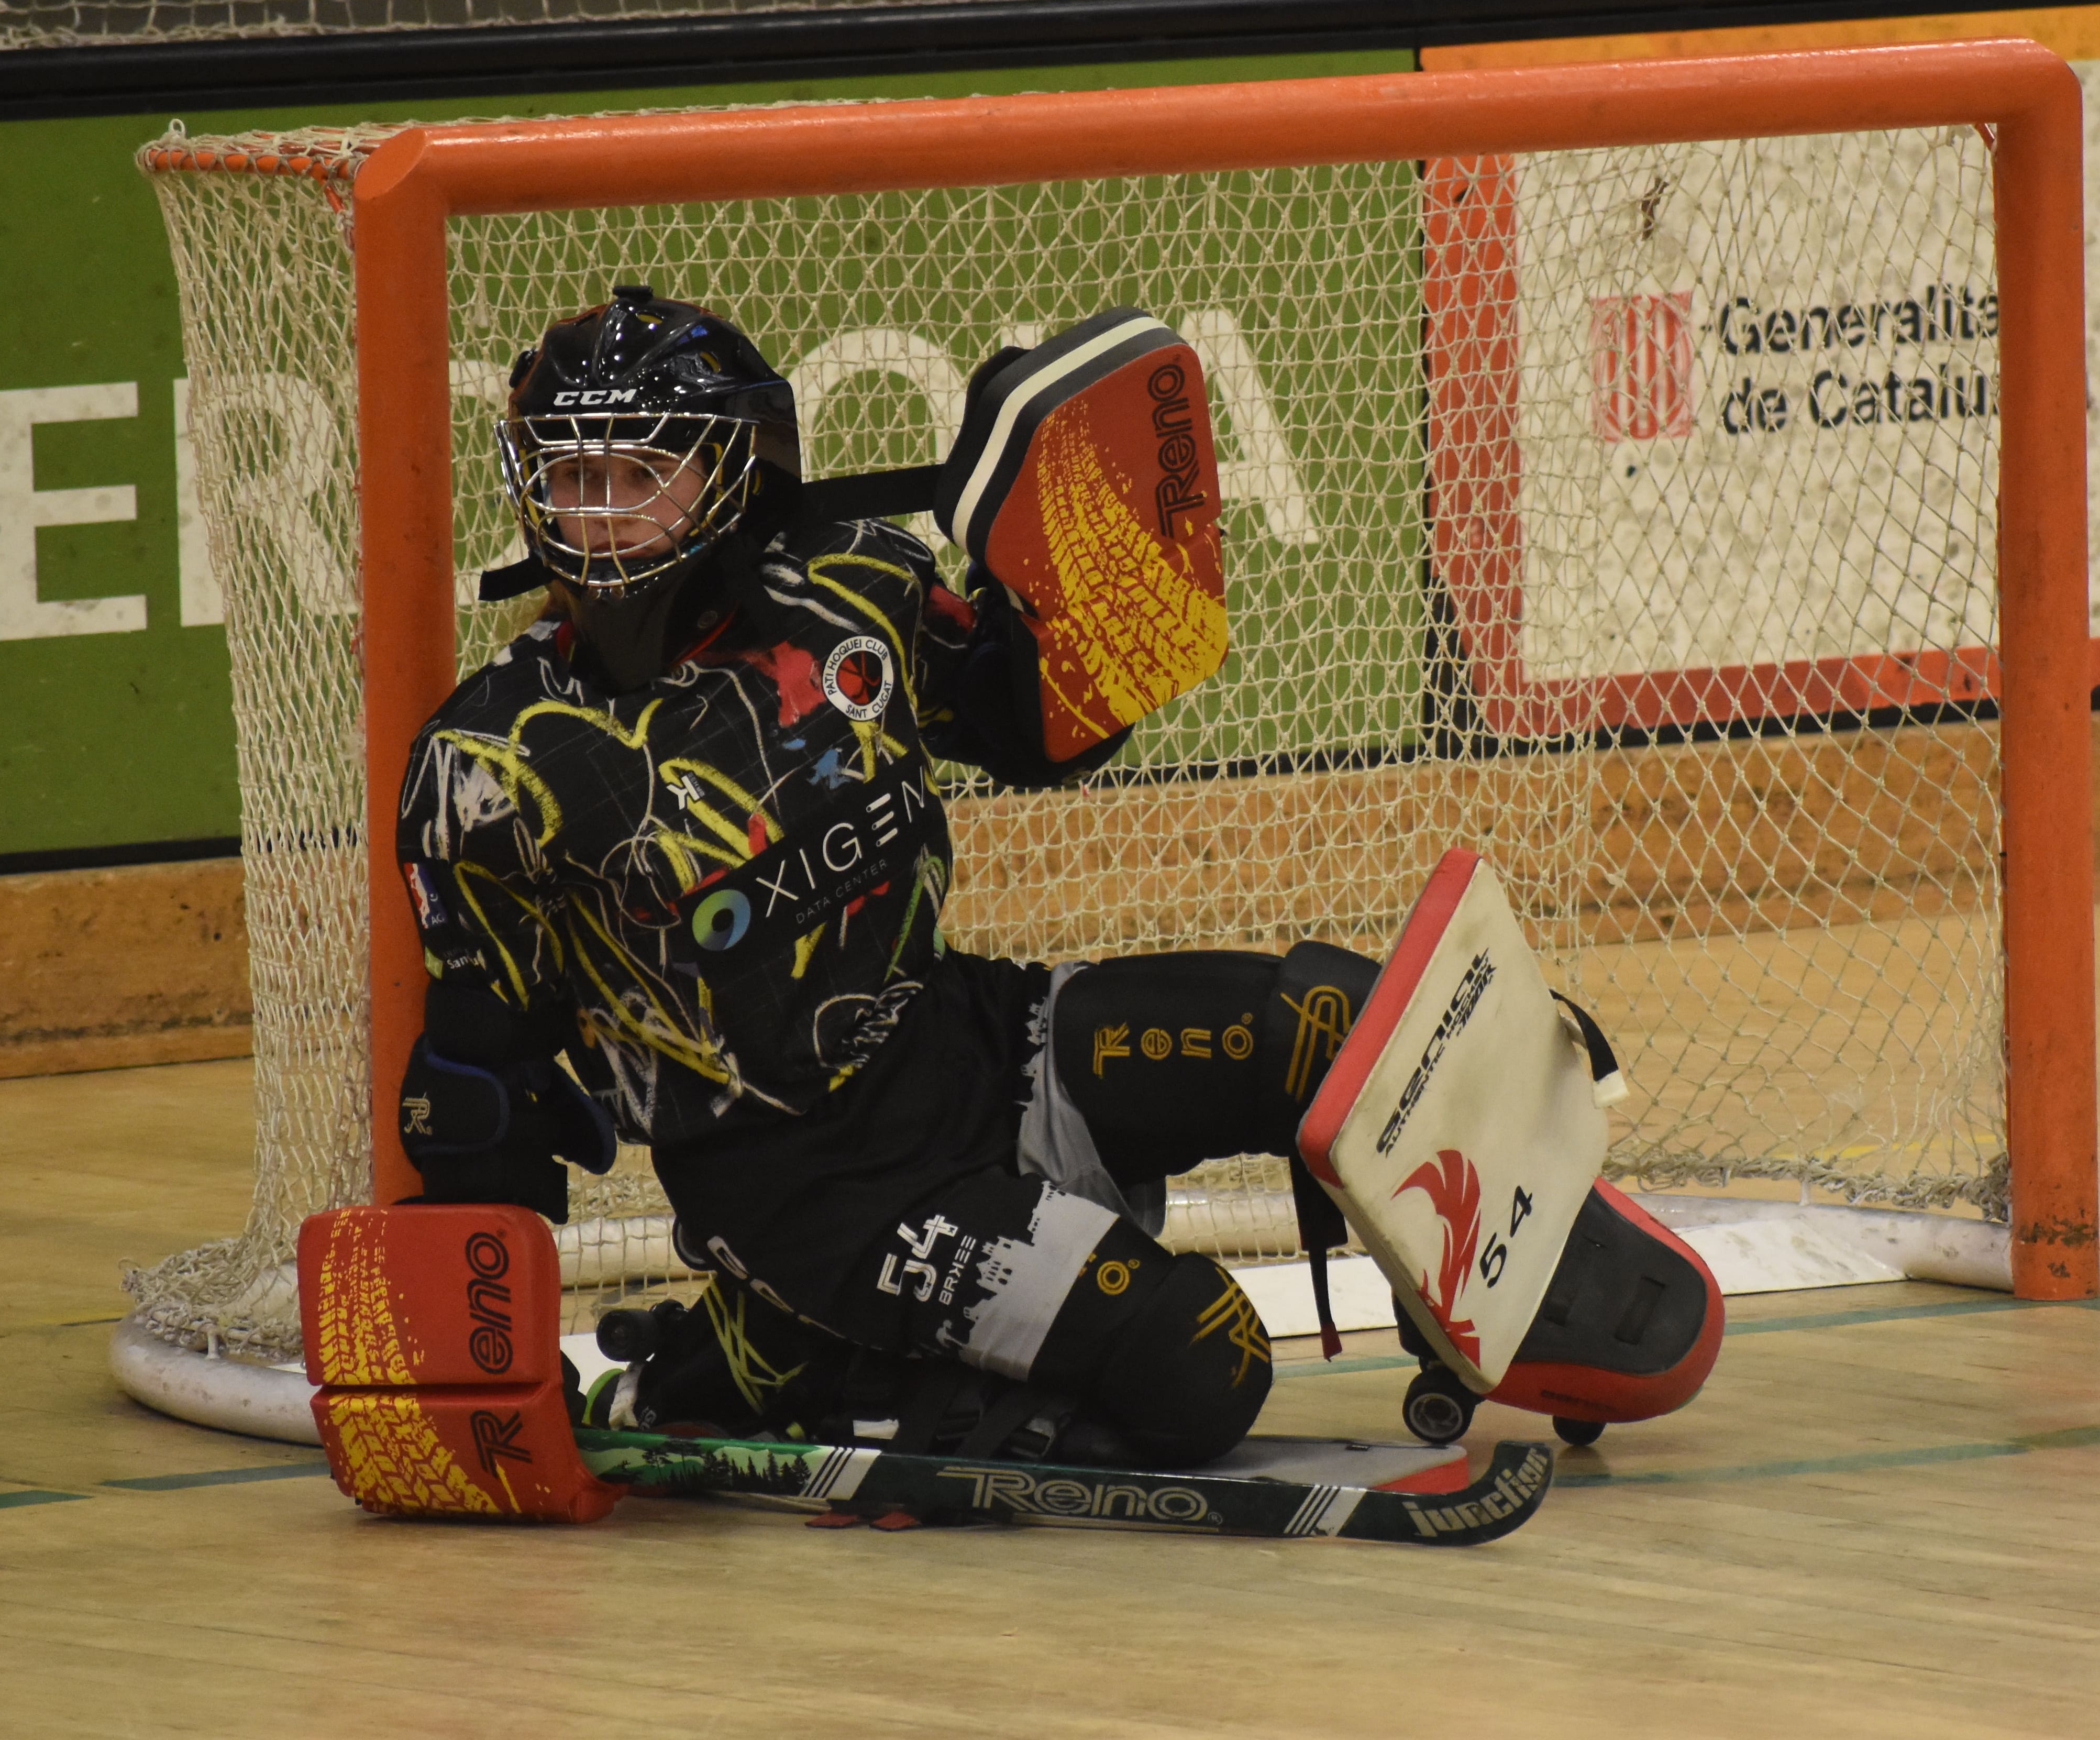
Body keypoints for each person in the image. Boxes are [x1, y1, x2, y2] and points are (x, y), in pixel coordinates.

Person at [393, 284, 1386, 1469]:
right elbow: (475, 1087)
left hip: (976, 1041)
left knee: (1335, 1025)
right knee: (1206, 1356)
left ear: (738, 472)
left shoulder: (855, 585)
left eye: (641, 472)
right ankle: (801, 1366)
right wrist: (496, 1370)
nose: (598, 515)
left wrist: (1068, 551)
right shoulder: (490, 759)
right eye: (572, 475)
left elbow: (1038, 728)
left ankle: (1570, 1306)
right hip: (808, 1191)